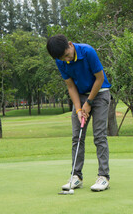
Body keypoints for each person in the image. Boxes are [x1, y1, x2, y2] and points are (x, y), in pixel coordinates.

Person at [46, 34, 111, 192]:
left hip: (100, 92)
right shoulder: (60, 60)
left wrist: (88, 103)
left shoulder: (88, 51)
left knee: (99, 135)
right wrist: (79, 109)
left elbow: (100, 78)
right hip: (80, 96)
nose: (66, 60)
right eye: (63, 58)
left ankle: (103, 177)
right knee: (77, 136)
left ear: (70, 44)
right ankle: (76, 176)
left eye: (67, 55)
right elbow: (70, 86)